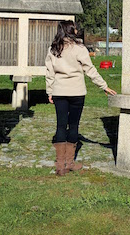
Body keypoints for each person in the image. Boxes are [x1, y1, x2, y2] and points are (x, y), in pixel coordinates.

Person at [45, 20, 116, 176]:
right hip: (77, 93)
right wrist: (104, 86)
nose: (77, 30)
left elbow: (49, 73)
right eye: (75, 28)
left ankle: (60, 166)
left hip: (59, 92)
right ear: (71, 30)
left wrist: (50, 91)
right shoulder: (79, 49)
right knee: (74, 125)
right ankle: (69, 163)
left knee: (61, 125)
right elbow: (90, 70)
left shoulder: (53, 49)